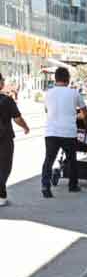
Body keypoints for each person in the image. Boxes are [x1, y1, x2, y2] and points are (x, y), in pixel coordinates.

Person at [41, 67, 86, 198]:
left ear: (55, 79)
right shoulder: (74, 93)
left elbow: (46, 110)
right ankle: (73, 185)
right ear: (68, 79)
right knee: (72, 159)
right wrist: (76, 116)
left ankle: (45, 186)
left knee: (48, 160)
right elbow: (84, 113)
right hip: (68, 132)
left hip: (51, 132)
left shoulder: (48, 93)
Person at [0, 73, 30, 206]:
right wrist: (25, 127)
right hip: (4, 138)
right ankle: (1, 196)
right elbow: (17, 118)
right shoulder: (7, 100)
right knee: (4, 167)